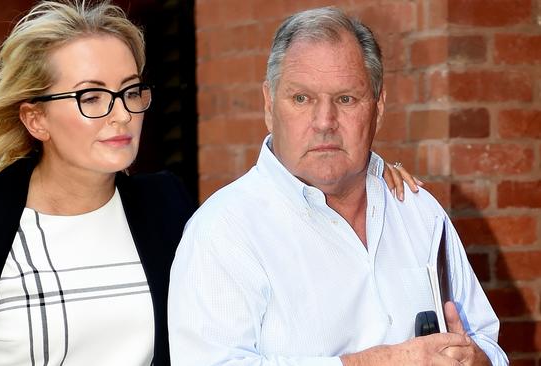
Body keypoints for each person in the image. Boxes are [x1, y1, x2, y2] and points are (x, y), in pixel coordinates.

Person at [0, 1, 418, 365]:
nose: (120, 115)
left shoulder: (166, 210)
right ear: (36, 120)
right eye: (90, 97)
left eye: (129, 91)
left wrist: (362, 173)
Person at [168, 6, 508, 366]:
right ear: (269, 104)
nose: (325, 121)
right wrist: (378, 362)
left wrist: (475, 358)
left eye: (346, 99)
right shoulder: (223, 232)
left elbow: (488, 341)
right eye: (302, 98)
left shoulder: (418, 211)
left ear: (378, 108)